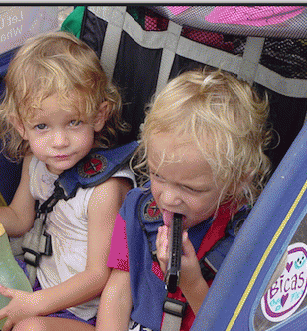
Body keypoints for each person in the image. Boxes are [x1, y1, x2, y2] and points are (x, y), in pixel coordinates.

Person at [0, 31, 135, 331]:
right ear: (21, 126)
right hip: (36, 284)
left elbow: (99, 276)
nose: (59, 141)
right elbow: (20, 219)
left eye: (74, 122)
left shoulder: (104, 190)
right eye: (42, 126)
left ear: (99, 115)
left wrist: (35, 306)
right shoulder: (35, 162)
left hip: (82, 315)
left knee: (32, 329)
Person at [95, 68, 273, 331]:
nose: (167, 198)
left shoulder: (245, 239)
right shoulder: (136, 209)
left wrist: (191, 283)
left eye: (190, 189)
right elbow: (118, 291)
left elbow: (230, 325)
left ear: (237, 182)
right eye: (158, 175)